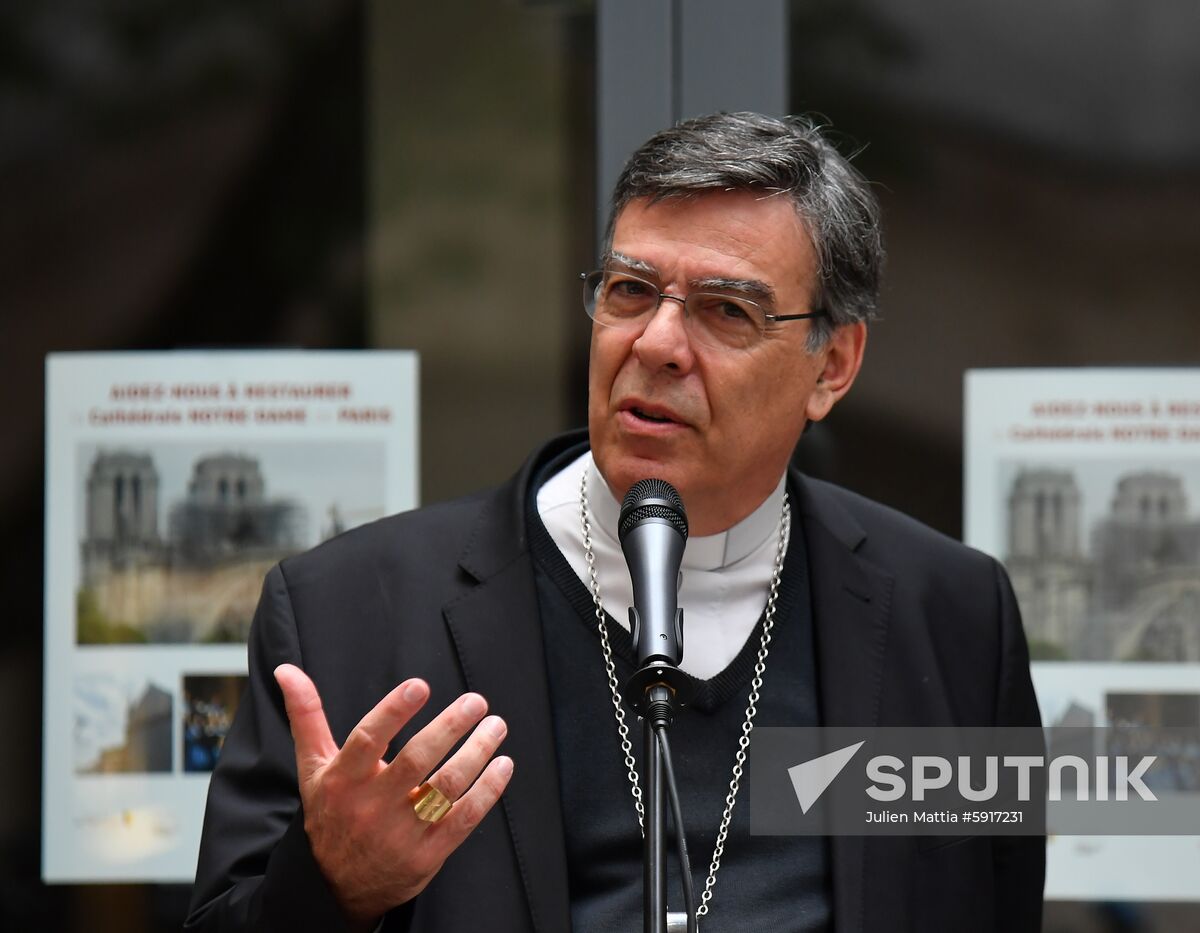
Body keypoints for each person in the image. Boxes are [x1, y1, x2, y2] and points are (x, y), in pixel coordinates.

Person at [184, 111, 1044, 933]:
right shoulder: (351, 612)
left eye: (726, 311)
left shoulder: (954, 616)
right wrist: (334, 887)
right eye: (631, 291)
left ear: (834, 365)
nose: (658, 343)